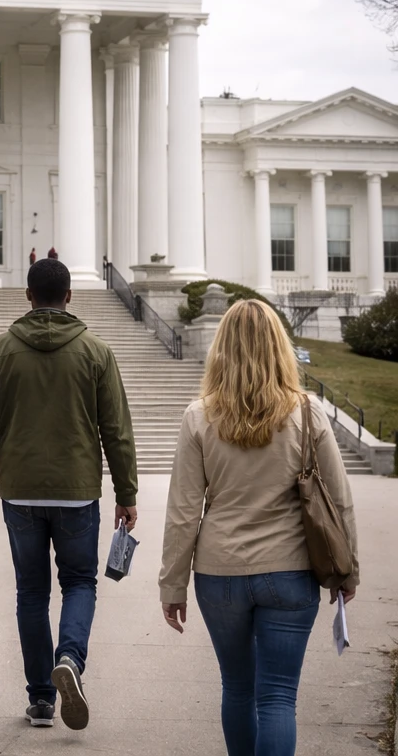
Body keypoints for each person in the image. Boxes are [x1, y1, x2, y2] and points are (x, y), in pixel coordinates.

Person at [159, 299, 358, 756]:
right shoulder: (307, 413)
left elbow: (183, 512)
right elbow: (339, 499)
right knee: (278, 697)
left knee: (238, 688)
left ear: (221, 349)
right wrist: (350, 570)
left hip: (219, 573)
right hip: (291, 572)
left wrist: (173, 585)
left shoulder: (199, 416)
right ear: (279, 347)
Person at [0, 258, 137, 732]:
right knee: (80, 583)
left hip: (20, 493)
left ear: (29, 297)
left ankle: (40, 700)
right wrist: (127, 492)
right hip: (78, 492)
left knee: (31, 592)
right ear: (70, 297)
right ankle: (70, 660)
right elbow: (116, 430)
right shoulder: (96, 352)